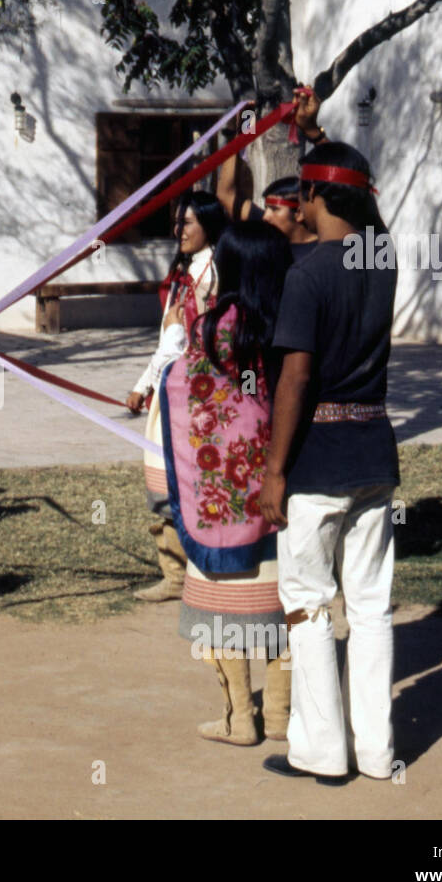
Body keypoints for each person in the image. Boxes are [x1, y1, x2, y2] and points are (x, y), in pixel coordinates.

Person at [257, 141, 398, 785]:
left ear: (314, 197)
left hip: (315, 459)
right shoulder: (383, 258)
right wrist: (319, 137)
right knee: (371, 608)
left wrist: (274, 469)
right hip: (374, 450)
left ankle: (320, 751)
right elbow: (369, 214)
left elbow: (294, 380)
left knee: (309, 607)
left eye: (302, 193)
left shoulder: (307, 275)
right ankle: (374, 752)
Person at [163, 222, 292, 745]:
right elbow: (258, 394)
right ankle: (283, 715)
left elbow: (190, 386)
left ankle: (241, 718)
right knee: (288, 602)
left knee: (223, 609)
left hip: (220, 495)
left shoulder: (214, 327)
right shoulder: (288, 322)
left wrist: (174, 350)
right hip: (281, 488)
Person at [126, 190, 228, 602]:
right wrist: (145, 385)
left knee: (200, 482)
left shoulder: (216, 273)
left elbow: (177, 340)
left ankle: (208, 568)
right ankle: (173, 571)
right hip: (171, 393)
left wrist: (141, 384)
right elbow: (168, 342)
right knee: (162, 482)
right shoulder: (184, 275)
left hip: (202, 398)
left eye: (187, 223)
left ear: (208, 225)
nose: (178, 230)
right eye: (176, 223)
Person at [216, 86, 327, 262]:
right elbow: (226, 194)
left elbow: (341, 182)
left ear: (299, 212)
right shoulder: (268, 230)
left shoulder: (325, 246)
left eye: (274, 209)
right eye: (266, 208)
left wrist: (312, 130)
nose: (266, 216)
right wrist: (242, 133)